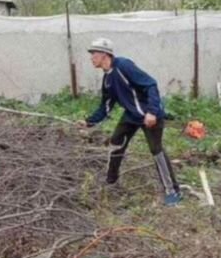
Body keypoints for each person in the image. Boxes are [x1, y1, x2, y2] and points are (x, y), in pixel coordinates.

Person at [78, 38, 182, 206]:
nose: (91, 58)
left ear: (105, 54)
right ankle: (111, 182)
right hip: (132, 116)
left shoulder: (124, 66)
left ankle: (172, 190)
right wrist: (88, 122)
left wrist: (152, 112)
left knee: (156, 150)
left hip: (150, 114)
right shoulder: (107, 80)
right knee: (116, 143)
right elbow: (105, 107)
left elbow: (151, 84)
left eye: (94, 54)